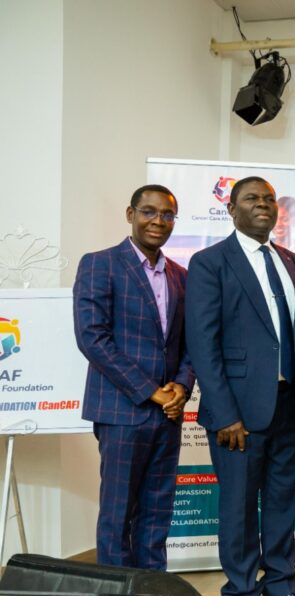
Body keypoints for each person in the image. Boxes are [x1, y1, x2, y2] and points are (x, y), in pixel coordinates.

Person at [186, 177, 295, 596]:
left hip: (288, 405)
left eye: (269, 199)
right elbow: (203, 344)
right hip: (238, 414)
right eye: (252, 199)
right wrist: (225, 412)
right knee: (241, 507)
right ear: (231, 209)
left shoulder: (290, 260)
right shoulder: (210, 263)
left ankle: (281, 587)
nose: (264, 205)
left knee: (284, 500)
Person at [74, 184, 192, 570]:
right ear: (130, 214)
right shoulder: (100, 264)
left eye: (167, 214)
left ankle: (151, 591)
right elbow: (93, 338)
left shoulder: (181, 275)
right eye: (149, 212)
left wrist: (181, 386)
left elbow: (190, 343)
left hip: (168, 414)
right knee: (118, 512)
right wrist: (150, 392)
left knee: (157, 511)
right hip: (121, 411)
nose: (158, 221)